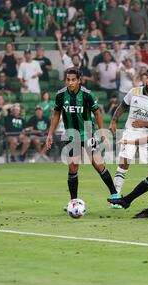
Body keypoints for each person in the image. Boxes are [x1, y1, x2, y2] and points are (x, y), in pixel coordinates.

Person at [46, 67, 119, 205]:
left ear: (79, 81)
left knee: (98, 165)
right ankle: (73, 201)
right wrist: (50, 133)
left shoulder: (87, 95)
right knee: (73, 166)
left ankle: (115, 195)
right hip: (71, 136)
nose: (70, 82)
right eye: (68, 79)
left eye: (73, 80)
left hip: (88, 134)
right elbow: (56, 114)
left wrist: (102, 132)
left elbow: (97, 113)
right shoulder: (60, 95)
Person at [109, 66, 148, 205]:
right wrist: (114, 121)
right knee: (124, 163)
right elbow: (122, 106)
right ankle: (116, 197)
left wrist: (143, 124)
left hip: (147, 135)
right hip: (130, 132)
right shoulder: (134, 91)